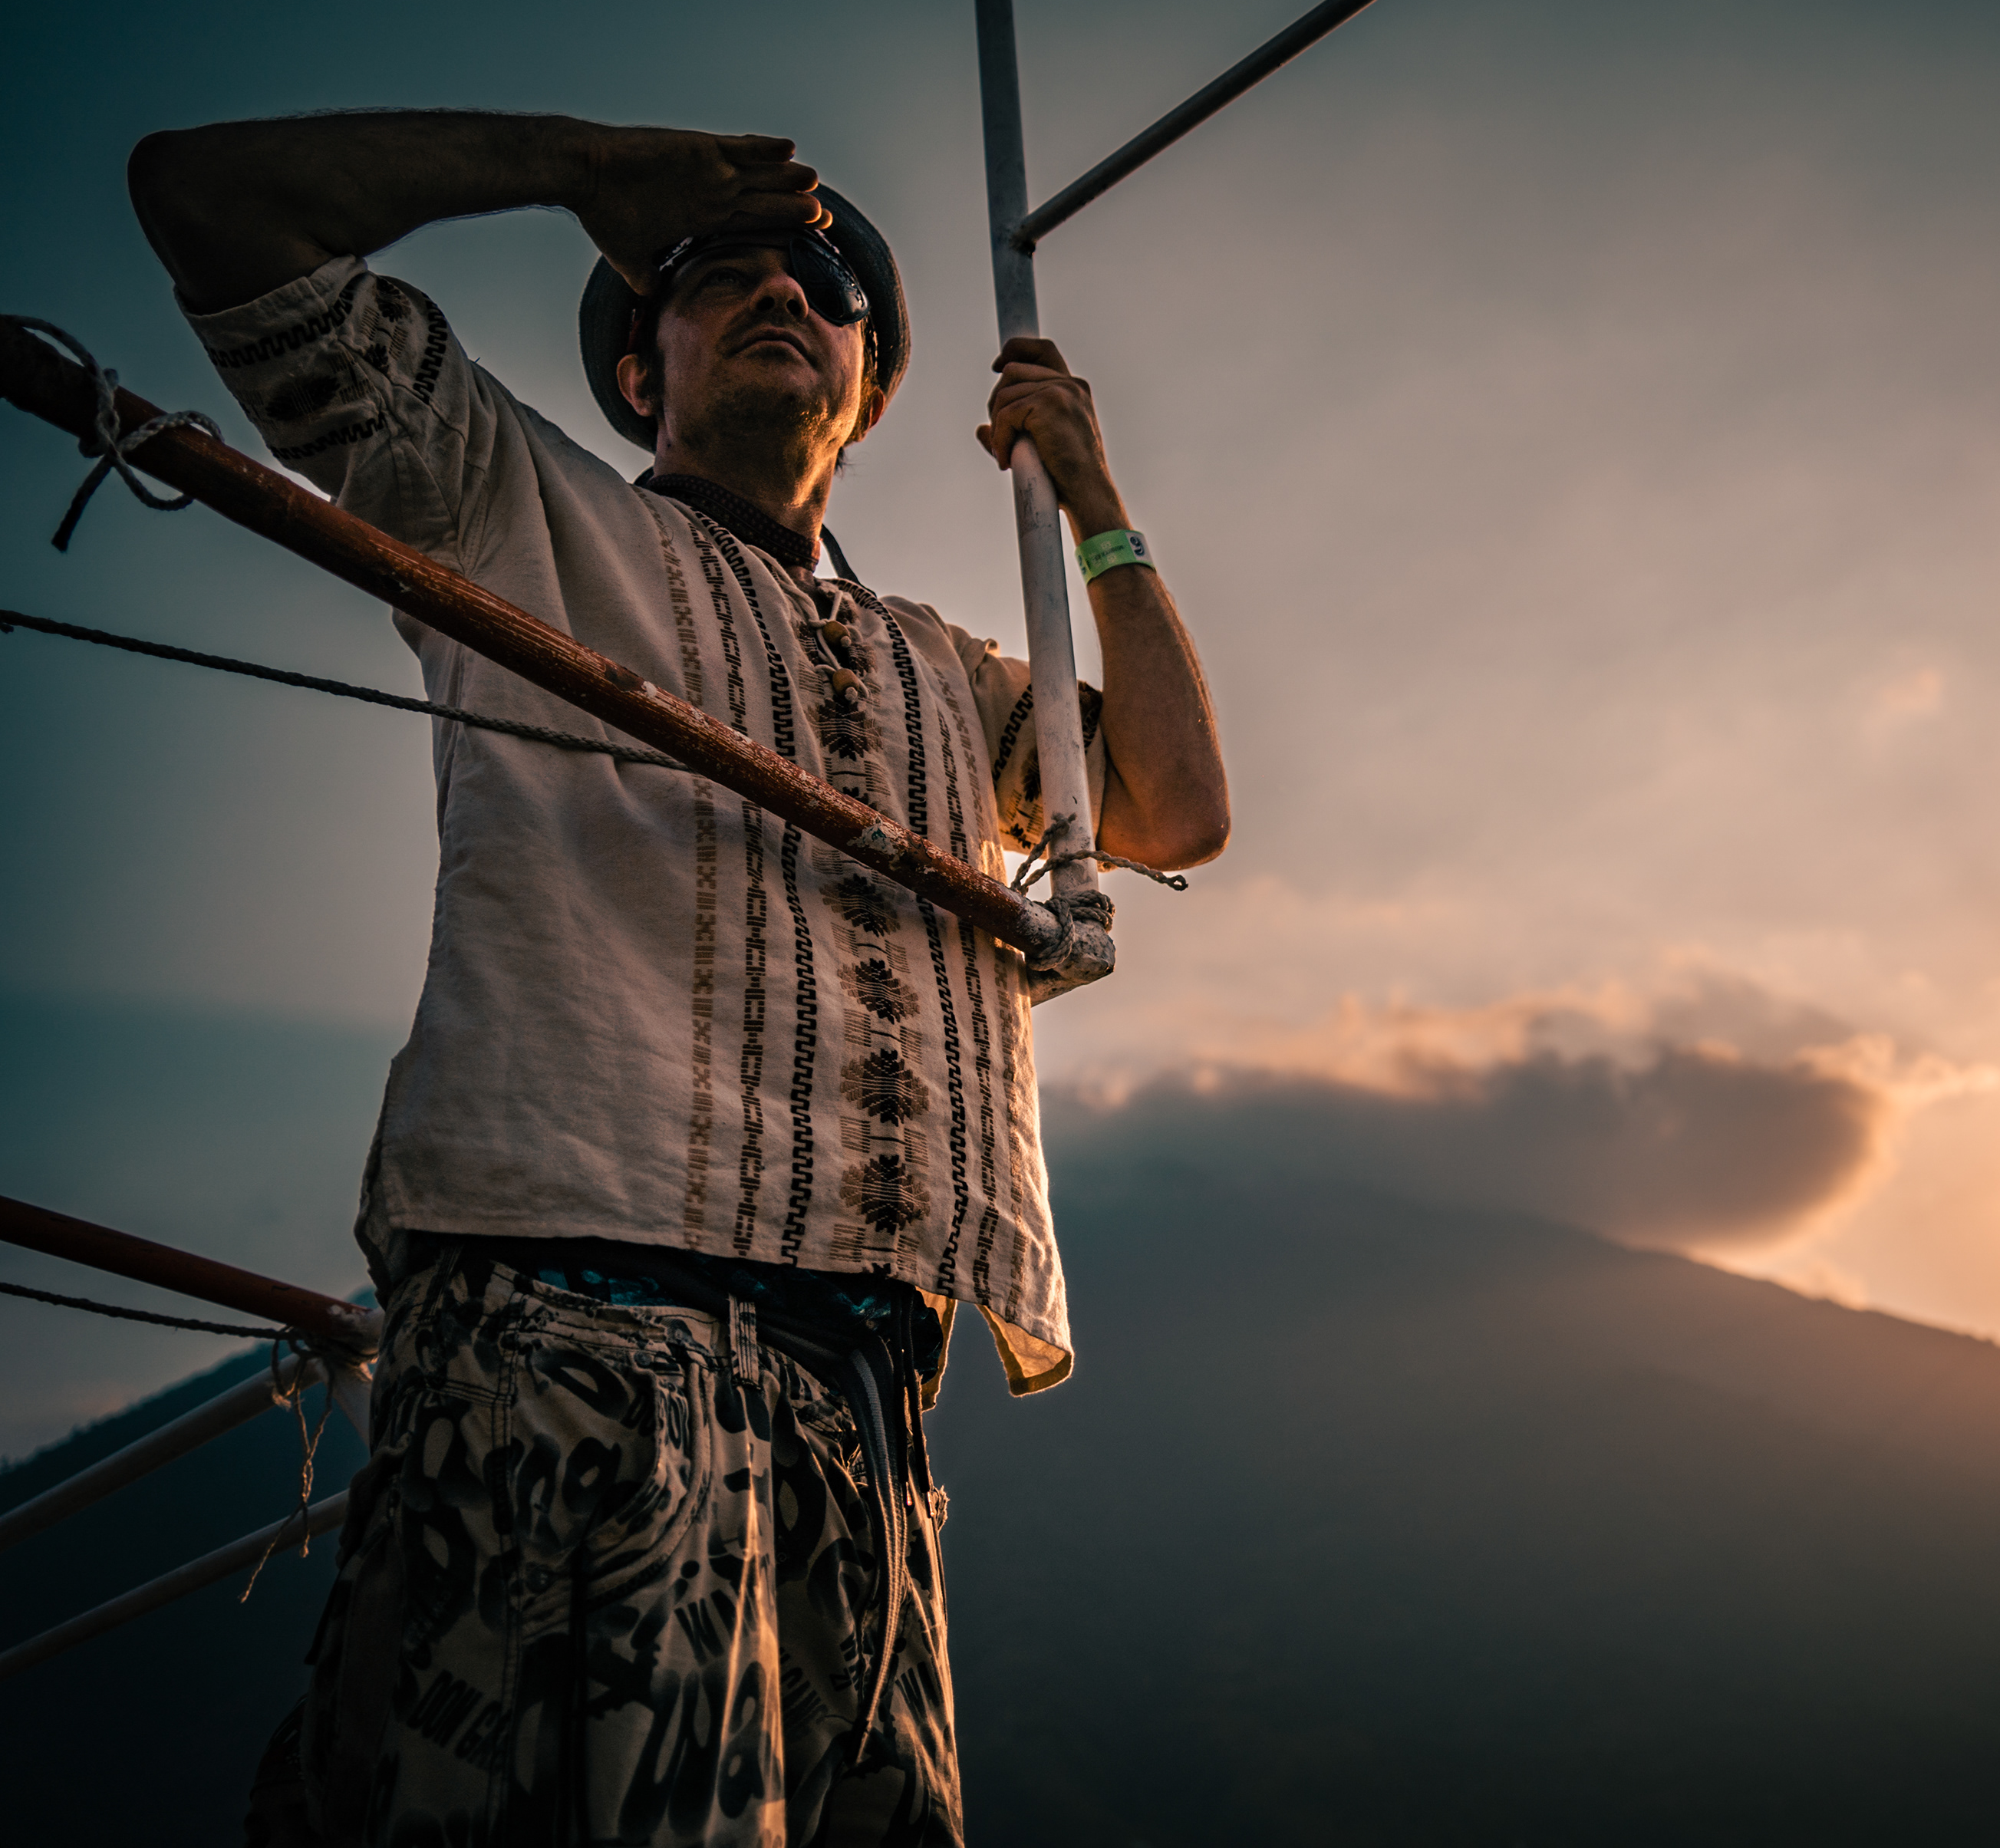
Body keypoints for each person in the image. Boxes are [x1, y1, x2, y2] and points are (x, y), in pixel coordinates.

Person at [127, 110, 1230, 1846]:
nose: (791, 286)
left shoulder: (947, 673)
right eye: (721, 277)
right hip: (571, 1330)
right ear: (642, 370)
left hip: (864, 1386)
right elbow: (204, 205)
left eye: (830, 288)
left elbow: (1177, 802)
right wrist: (578, 167)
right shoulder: (511, 504)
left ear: (867, 393)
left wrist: (1098, 507)